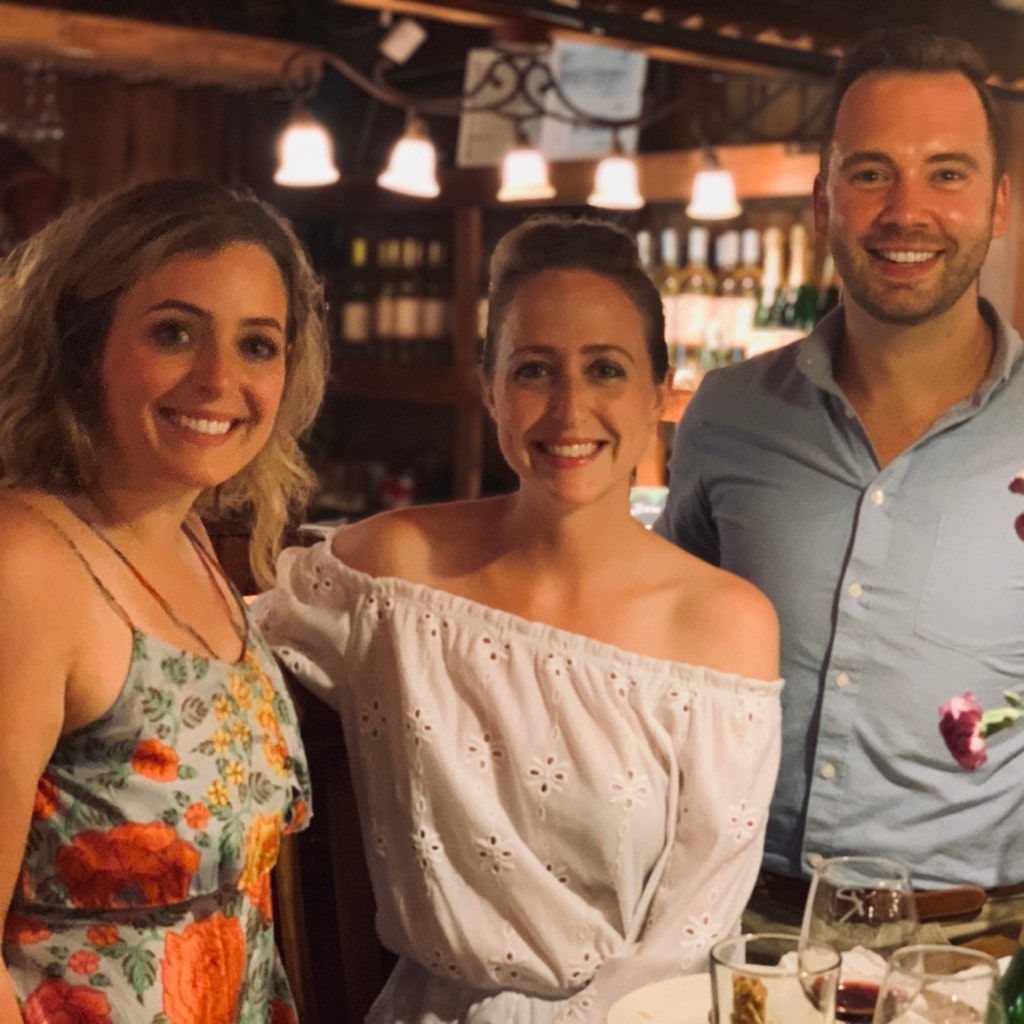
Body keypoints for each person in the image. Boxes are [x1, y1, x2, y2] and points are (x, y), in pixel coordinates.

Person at [255, 215, 782, 1023]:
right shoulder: (392, 574)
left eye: (605, 369)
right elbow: (204, 644)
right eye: (535, 370)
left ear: (659, 393)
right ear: (489, 388)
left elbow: (693, 936)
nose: (570, 409)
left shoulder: (726, 625)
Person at [655, 27, 1024, 944]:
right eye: (870, 173)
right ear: (824, 202)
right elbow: (657, 658)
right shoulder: (728, 414)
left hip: (974, 948)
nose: (908, 210)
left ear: (999, 204)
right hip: (735, 928)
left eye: (947, 173)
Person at [0, 178, 330, 1023]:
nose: (220, 379)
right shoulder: (26, 565)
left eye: (258, 345)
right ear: (82, 346)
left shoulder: (191, 542)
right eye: (175, 332)